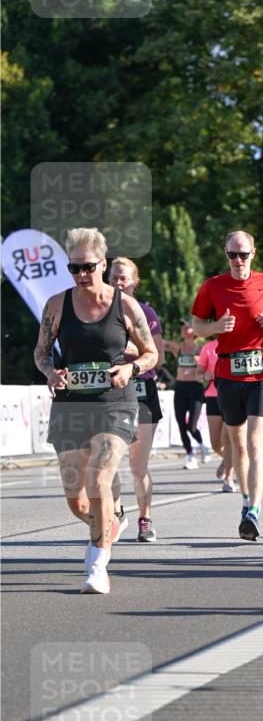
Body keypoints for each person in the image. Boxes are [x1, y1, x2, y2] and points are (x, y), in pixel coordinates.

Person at [34, 228, 157, 593]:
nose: (81, 274)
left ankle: (97, 564)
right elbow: (41, 352)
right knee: (76, 498)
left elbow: (152, 353)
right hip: (70, 405)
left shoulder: (126, 305)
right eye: (74, 268)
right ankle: (105, 522)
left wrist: (130, 368)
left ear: (103, 264)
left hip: (114, 403)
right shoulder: (57, 305)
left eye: (88, 267)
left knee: (100, 477)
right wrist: (49, 372)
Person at [191, 230, 263, 541]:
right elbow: (196, 326)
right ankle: (246, 501)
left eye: (243, 254)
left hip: (261, 370)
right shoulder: (213, 287)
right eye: (232, 255)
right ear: (226, 255)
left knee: (256, 442)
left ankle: (254, 511)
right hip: (228, 371)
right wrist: (215, 327)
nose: (237, 260)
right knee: (237, 443)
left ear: (253, 254)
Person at [108, 257, 165, 543]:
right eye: (113, 277)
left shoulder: (145, 312)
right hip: (109, 392)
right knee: (107, 459)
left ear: (134, 281)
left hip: (141, 389)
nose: (117, 282)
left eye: (123, 278)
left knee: (136, 464)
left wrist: (128, 347)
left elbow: (159, 357)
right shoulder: (95, 310)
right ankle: (117, 513)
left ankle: (145, 519)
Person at [164, 320, 210, 469]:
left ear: (195, 331)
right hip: (180, 388)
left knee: (192, 426)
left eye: (188, 327)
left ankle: (203, 446)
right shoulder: (178, 348)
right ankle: (190, 456)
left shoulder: (201, 350)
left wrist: (200, 365)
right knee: (181, 424)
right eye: (183, 326)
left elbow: (209, 371)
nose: (184, 328)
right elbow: (160, 342)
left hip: (195, 388)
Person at [197, 337, 236, 492]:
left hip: (233, 395)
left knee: (228, 439)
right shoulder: (208, 347)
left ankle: (229, 478)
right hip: (213, 396)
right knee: (215, 444)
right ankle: (228, 459)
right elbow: (198, 374)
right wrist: (204, 376)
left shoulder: (236, 343)